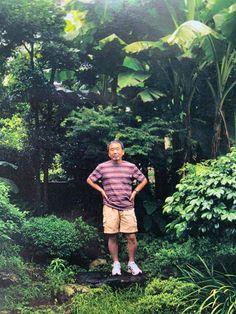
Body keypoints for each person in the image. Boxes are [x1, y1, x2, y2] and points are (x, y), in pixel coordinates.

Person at [87, 140, 148, 276]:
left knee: (131, 237)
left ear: (122, 152)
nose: (115, 152)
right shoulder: (102, 167)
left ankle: (131, 263)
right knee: (112, 236)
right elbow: (90, 179)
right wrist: (102, 191)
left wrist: (135, 192)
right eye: (112, 150)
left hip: (127, 206)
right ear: (108, 153)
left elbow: (143, 180)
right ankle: (116, 264)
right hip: (110, 207)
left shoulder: (130, 167)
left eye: (117, 149)